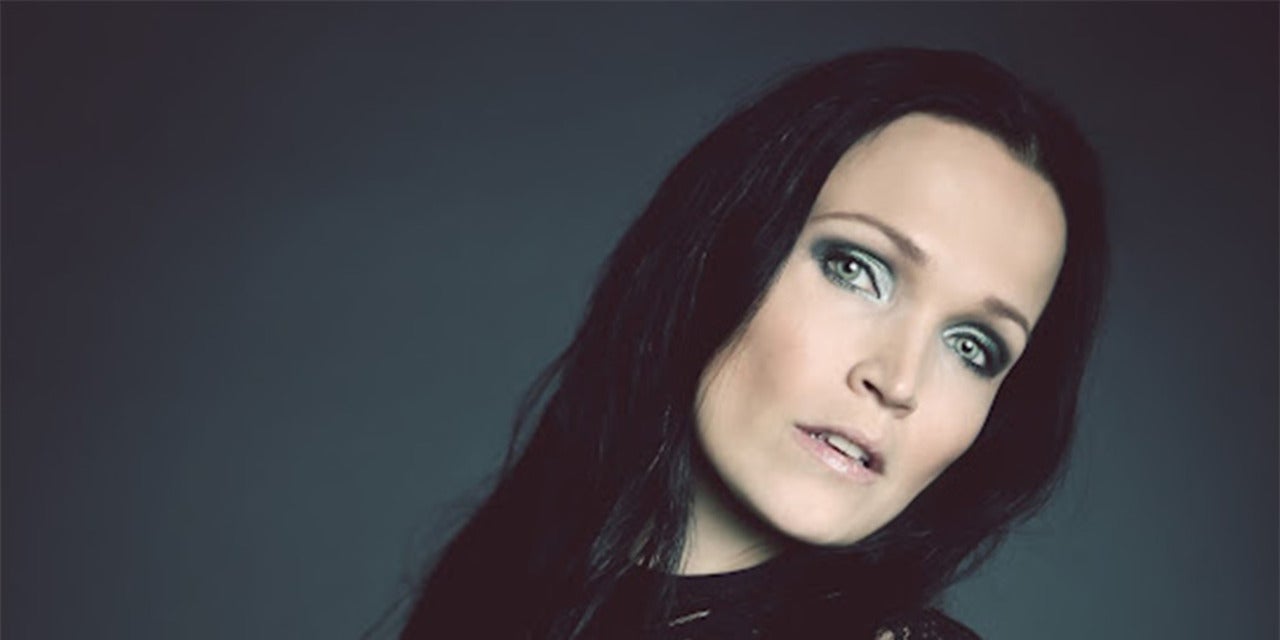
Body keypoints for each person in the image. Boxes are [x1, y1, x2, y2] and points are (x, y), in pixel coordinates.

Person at [398, 47, 1108, 639]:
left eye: (973, 346)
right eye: (857, 270)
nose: (898, 381)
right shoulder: (503, 582)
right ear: (722, 248)